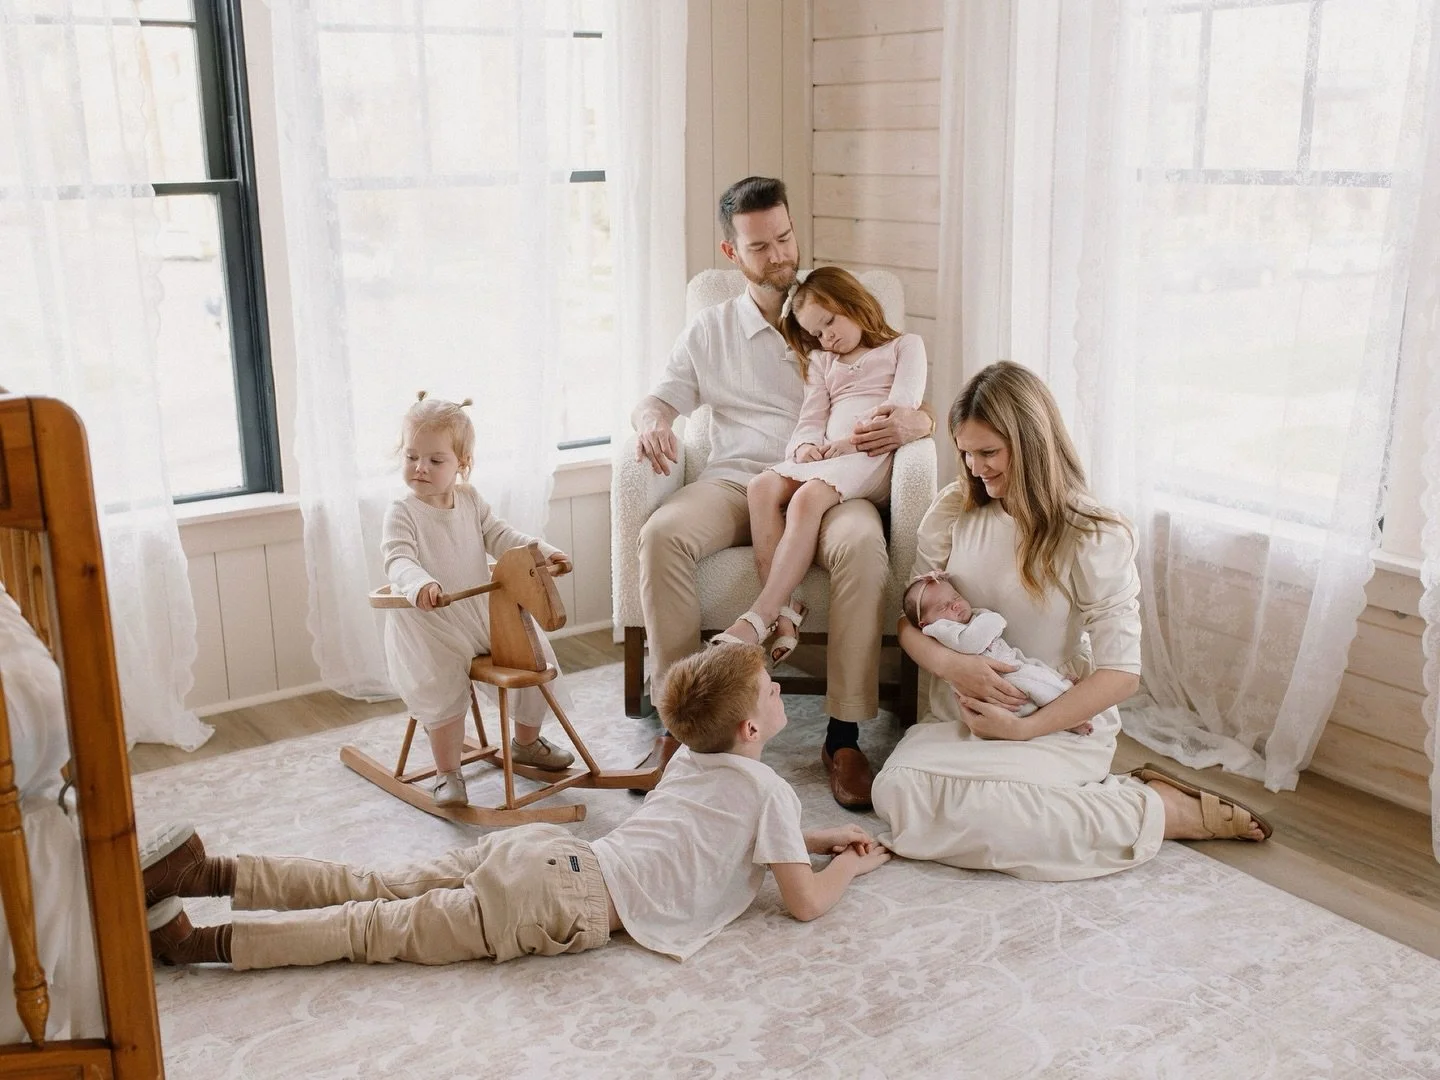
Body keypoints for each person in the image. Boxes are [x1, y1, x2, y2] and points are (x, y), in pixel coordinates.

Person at [141, 644, 891, 969]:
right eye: (770, 688)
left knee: (372, 886)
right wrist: (850, 870)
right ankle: (192, 948)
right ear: (754, 728)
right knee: (370, 930)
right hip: (564, 900)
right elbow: (802, 903)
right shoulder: (765, 791)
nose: (776, 690)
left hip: (544, 855)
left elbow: (730, 833)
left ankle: (206, 873)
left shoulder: (691, 760)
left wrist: (815, 834)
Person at [871, 361, 1270, 883]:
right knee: (896, 792)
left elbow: (1121, 674)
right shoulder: (953, 513)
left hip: (1054, 718)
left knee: (1004, 812)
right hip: (962, 717)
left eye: (988, 452)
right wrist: (953, 665)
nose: (974, 468)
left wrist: (1025, 728)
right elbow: (910, 623)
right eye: (965, 452)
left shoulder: (1094, 535)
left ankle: (1161, 810)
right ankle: (1100, 807)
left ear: (1033, 443)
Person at [631, 176, 934, 810]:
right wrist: (653, 420)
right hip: (735, 480)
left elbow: (894, 381)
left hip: (833, 487)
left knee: (862, 547)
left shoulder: (830, 313)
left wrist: (919, 422)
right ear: (731, 253)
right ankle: (680, 726)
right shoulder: (710, 331)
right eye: (760, 246)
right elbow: (660, 397)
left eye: (786, 237)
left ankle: (844, 737)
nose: (779, 255)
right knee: (662, 533)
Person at [713, 267, 927, 672]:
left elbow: (900, 407)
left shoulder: (904, 347)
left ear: (853, 303)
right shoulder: (821, 361)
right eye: (817, 333)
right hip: (829, 457)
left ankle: (759, 615)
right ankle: (787, 613)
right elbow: (811, 417)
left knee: (807, 498)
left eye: (829, 322)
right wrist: (806, 446)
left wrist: (845, 445)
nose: (827, 337)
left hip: (871, 456)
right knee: (760, 487)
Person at [381, 391, 575, 810]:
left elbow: (502, 537)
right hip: (430, 622)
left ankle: (526, 742)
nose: (420, 468)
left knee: (536, 656)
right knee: (442, 682)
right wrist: (421, 585)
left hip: (479, 614)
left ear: (460, 466)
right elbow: (397, 559)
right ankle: (447, 771)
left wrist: (541, 551)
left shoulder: (469, 500)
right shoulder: (402, 512)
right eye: (412, 456)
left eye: (435, 460)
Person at [901, 570, 1089, 733]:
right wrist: (989, 617)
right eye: (942, 607)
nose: (955, 605)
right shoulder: (941, 631)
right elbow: (973, 641)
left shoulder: (962, 620)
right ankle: (1068, 712)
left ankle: (1059, 684)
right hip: (995, 679)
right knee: (1033, 684)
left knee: (1035, 668)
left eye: (956, 597)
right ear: (925, 624)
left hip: (1009, 663)